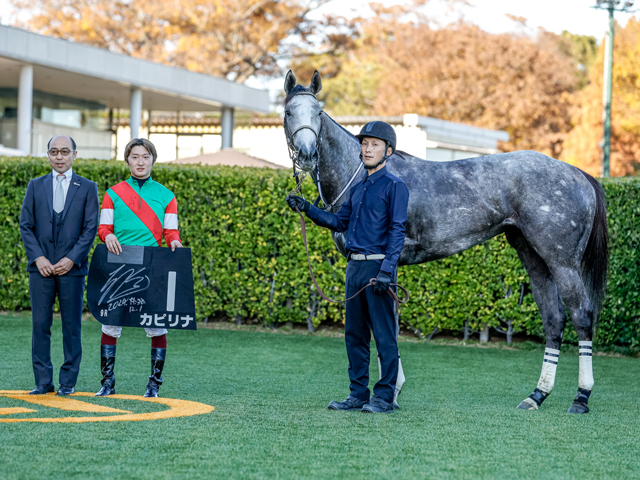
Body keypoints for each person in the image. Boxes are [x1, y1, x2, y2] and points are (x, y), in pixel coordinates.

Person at [286, 121, 409, 413]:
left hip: (378, 270)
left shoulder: (396, 187)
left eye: (374, 144)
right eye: (364, 144)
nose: (367, 149)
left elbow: (397, 232)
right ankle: (358, 395)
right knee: (354, 336)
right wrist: (307, 208)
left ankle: (384, 398)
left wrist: (386, 271)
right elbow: (339, 222)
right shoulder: (357, 188)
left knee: (384, 336)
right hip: (353, 269)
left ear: (388, 151)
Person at [95, 138, 182, 398]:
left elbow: (171, 231)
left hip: (152, 267)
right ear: (127, 160)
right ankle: (107, 384)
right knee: (110, 326)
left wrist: (175, 241)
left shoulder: (167, 196)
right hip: (119, 267)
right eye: (135, 157)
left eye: (145, 156)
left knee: (157, 327)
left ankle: (154, 386)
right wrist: (106, 236)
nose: (140, 161)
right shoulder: (112, 193)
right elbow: (103, 228)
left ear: (153, 160)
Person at [19, 135, 99, 396]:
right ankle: (43, 381)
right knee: (40, 325)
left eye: (65, 151)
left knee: (71, 327)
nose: (59, 156)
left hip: (72, 270)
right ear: (48, 155)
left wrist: (71, 259)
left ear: (75, 155)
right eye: (54, 152)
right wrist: (38, 258)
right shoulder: (35, 185)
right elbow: (26, 226)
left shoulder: (88, 187)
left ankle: (68, 382)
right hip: (39, 269)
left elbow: (90, 229)